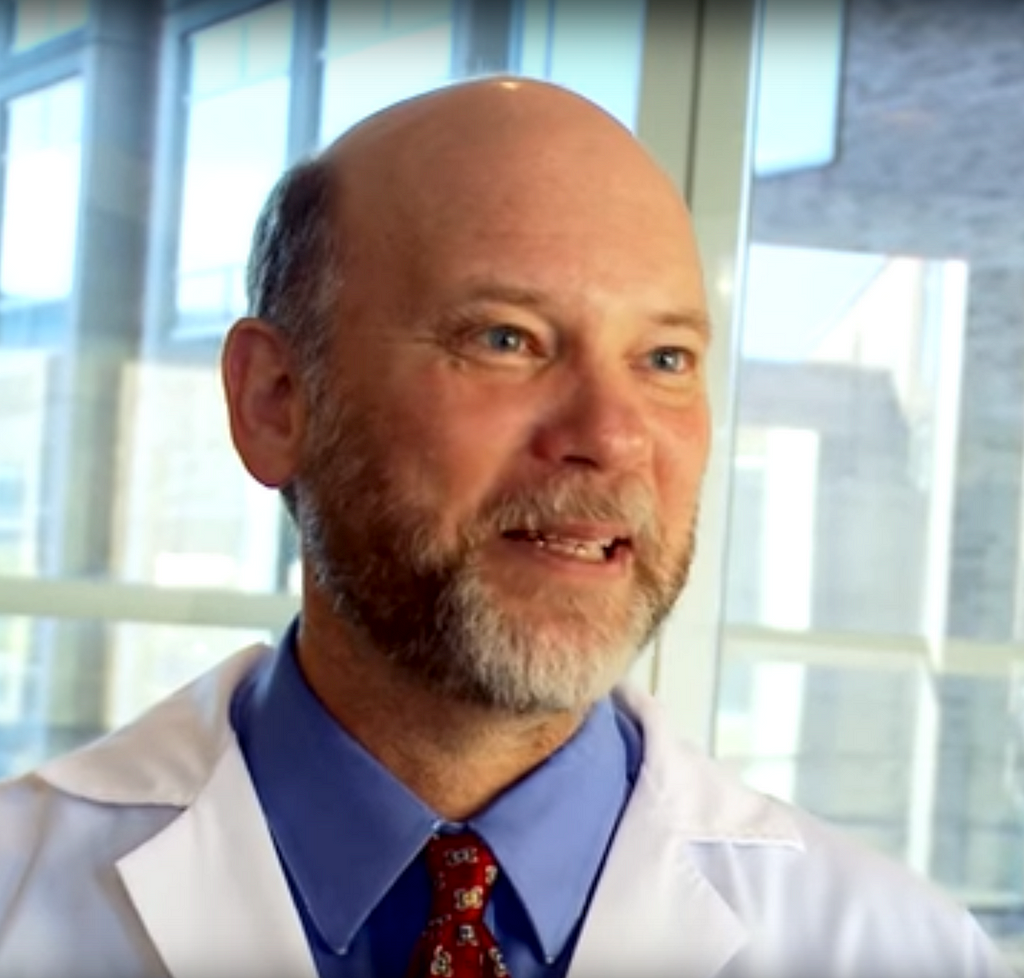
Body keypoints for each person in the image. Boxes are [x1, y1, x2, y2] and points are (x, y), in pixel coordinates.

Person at [0, 77, 1014, 978]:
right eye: (506, 339)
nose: (610, 438)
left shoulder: (898, 949)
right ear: (274, 401)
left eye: (664, 358)